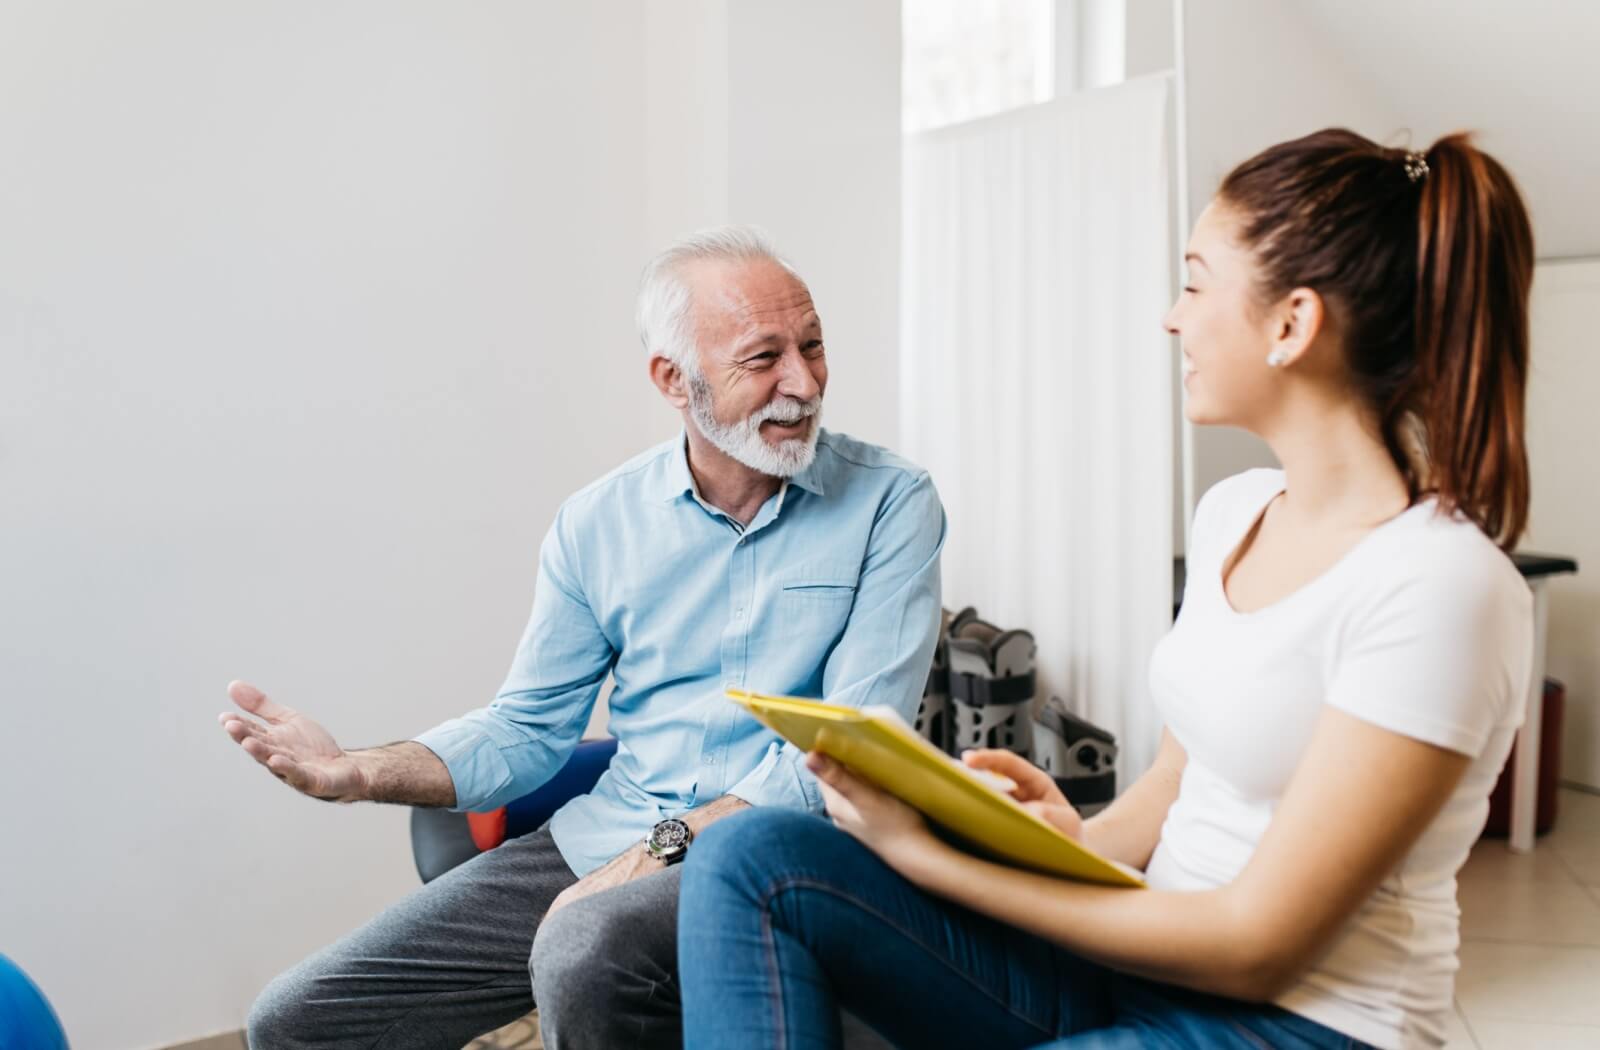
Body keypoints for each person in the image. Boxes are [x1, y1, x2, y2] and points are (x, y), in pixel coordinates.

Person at [678, 130, 1536, 1050]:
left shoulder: (1441, 585)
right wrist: (1061, 840)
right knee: (747, 855)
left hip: (1302, 1024)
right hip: (1137, 971)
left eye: (1198, 283)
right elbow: (1175, 785)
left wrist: (927, 856)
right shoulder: (1234, 513)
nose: (1173, 316)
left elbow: (1257, 947)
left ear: (1291, 324)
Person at [223, 226, 945, 1049]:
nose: (805, 381)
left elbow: (849, 755)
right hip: (608, 836)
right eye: (764, 358)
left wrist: (659, 853)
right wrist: (356, 770)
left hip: (790, 854)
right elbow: (527, 731)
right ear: (674, 379)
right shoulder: (598, 523)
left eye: (813, 347)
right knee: (298, 1022)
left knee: (583, 947)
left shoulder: (892, 502)